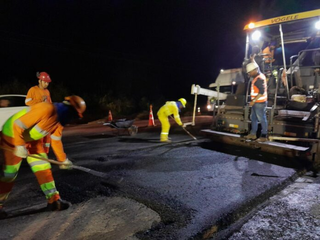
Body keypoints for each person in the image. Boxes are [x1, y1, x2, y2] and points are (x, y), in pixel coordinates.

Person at [0, 95, 86, 218]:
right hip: (12, 136)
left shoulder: (58, 121)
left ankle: (54, 201)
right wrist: (19, 146)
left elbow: (56, 141)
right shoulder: (46, 109)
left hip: (32, 140)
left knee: (43, 168)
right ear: (67, 107)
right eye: (74, 115)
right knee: (9, 174)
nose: (72, 119)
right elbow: (17, 125)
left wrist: (63, 160)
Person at [25, 72, 53, 154]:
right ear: (39, 81)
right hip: (36, 118)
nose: (46, 84)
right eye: (45, 82)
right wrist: (40, 100)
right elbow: (27, 102)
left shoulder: (47, 91)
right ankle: (35, 153)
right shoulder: (33, 90)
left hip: (45, 119)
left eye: (48, 82)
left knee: (47, 138)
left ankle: (44, 154)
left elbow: (49, 103)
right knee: (37, 138)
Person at [244, 62, 268, 142]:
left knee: (261, 118)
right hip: (256, 102)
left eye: (250, 72)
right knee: (253, 118)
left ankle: (264, 136)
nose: (249, 74)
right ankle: (253, 134)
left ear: (255, 70)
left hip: (259, 103)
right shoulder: (256, 77)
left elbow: (261, 92)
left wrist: (253, 101)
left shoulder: (259, 79)